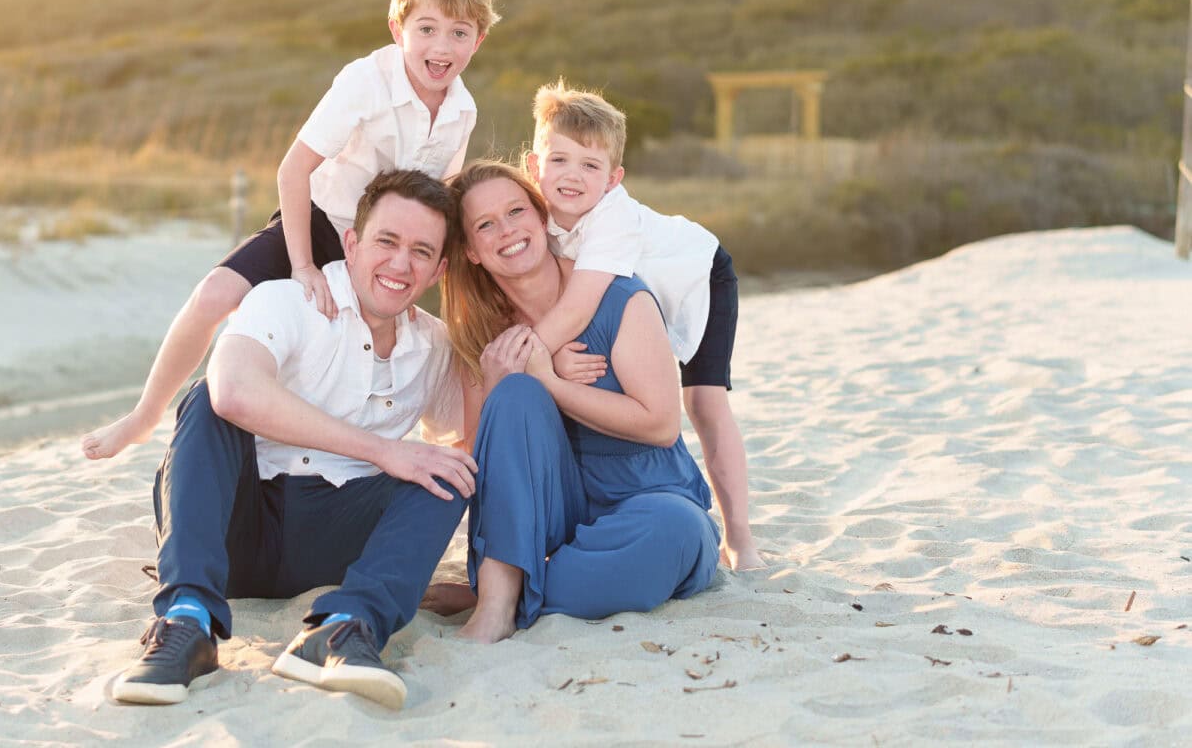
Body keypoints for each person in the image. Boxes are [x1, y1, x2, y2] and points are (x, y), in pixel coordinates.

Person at [82, 0, 499, 460]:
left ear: (478, 40)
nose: (441, 47)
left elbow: (441, 197)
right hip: (321, 220)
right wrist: (303, 265)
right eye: (427, 30)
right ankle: (144, 416)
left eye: (459, 34)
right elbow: (294, 169)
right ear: (399, 30)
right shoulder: (364, 81)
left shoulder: (463, 108)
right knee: (214, 293)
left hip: (385, 244)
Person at [110, 170, 476, 710]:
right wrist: (382, 450)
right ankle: (186, 623)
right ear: (351, 243)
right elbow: (234, 391)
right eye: (387, 241)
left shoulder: (436, 345)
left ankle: (346, 627)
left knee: (448, 470)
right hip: (238, 525)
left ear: (439, 271)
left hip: (335, 545)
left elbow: (471, 437)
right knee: (206, 400)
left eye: (422, 252)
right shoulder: (286, 299)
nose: (401, 264)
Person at [439, 161, 722, 642]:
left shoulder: (620, 296)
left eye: (516, 211)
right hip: (554, 517)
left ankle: (505, 592)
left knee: (674, 531)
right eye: (486, 224)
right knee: (512, 390)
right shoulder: (484, 338)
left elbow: (661, 425)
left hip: (647, 501)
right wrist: (495, 383)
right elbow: (481, 464)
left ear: (541, 216)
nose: (507, 230)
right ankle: (500, 601)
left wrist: (552, 383)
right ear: (471, 251)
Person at [521, 81, 765, 570]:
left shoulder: (613, 219)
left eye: (590, 166)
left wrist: (531, 355)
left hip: (702, 273)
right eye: (559, 161)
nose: (572, 177)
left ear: (614, 179)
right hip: (637, 303)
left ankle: (741, 541)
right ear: (533, 165)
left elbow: (578, 304)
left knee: (703, 400)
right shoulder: (535, 209)